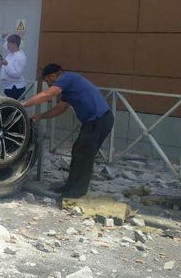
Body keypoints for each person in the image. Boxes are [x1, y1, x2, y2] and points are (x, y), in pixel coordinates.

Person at [22, 63, 114, 198]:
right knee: (78, 151)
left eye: (48, 81)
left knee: (84, 154)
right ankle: (70, 186)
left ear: (53, 76)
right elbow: (60, 108)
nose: (49, 85)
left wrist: (23, 104)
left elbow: (47, 94)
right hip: (93, 121)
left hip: (99, 119)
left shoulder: (67, 78)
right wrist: (41, 116)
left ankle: (78, 191)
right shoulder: (68, 85)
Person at [0, 32, 27, 100]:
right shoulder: (11, 51)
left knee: (13, 105)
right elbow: (3, 43)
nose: (7, 44)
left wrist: (7, 65)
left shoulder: (19, 57)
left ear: (14, 44)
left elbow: (17, 75)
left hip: (15, 88)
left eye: (9, 43)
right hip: (9, 86)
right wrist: (2, 36)